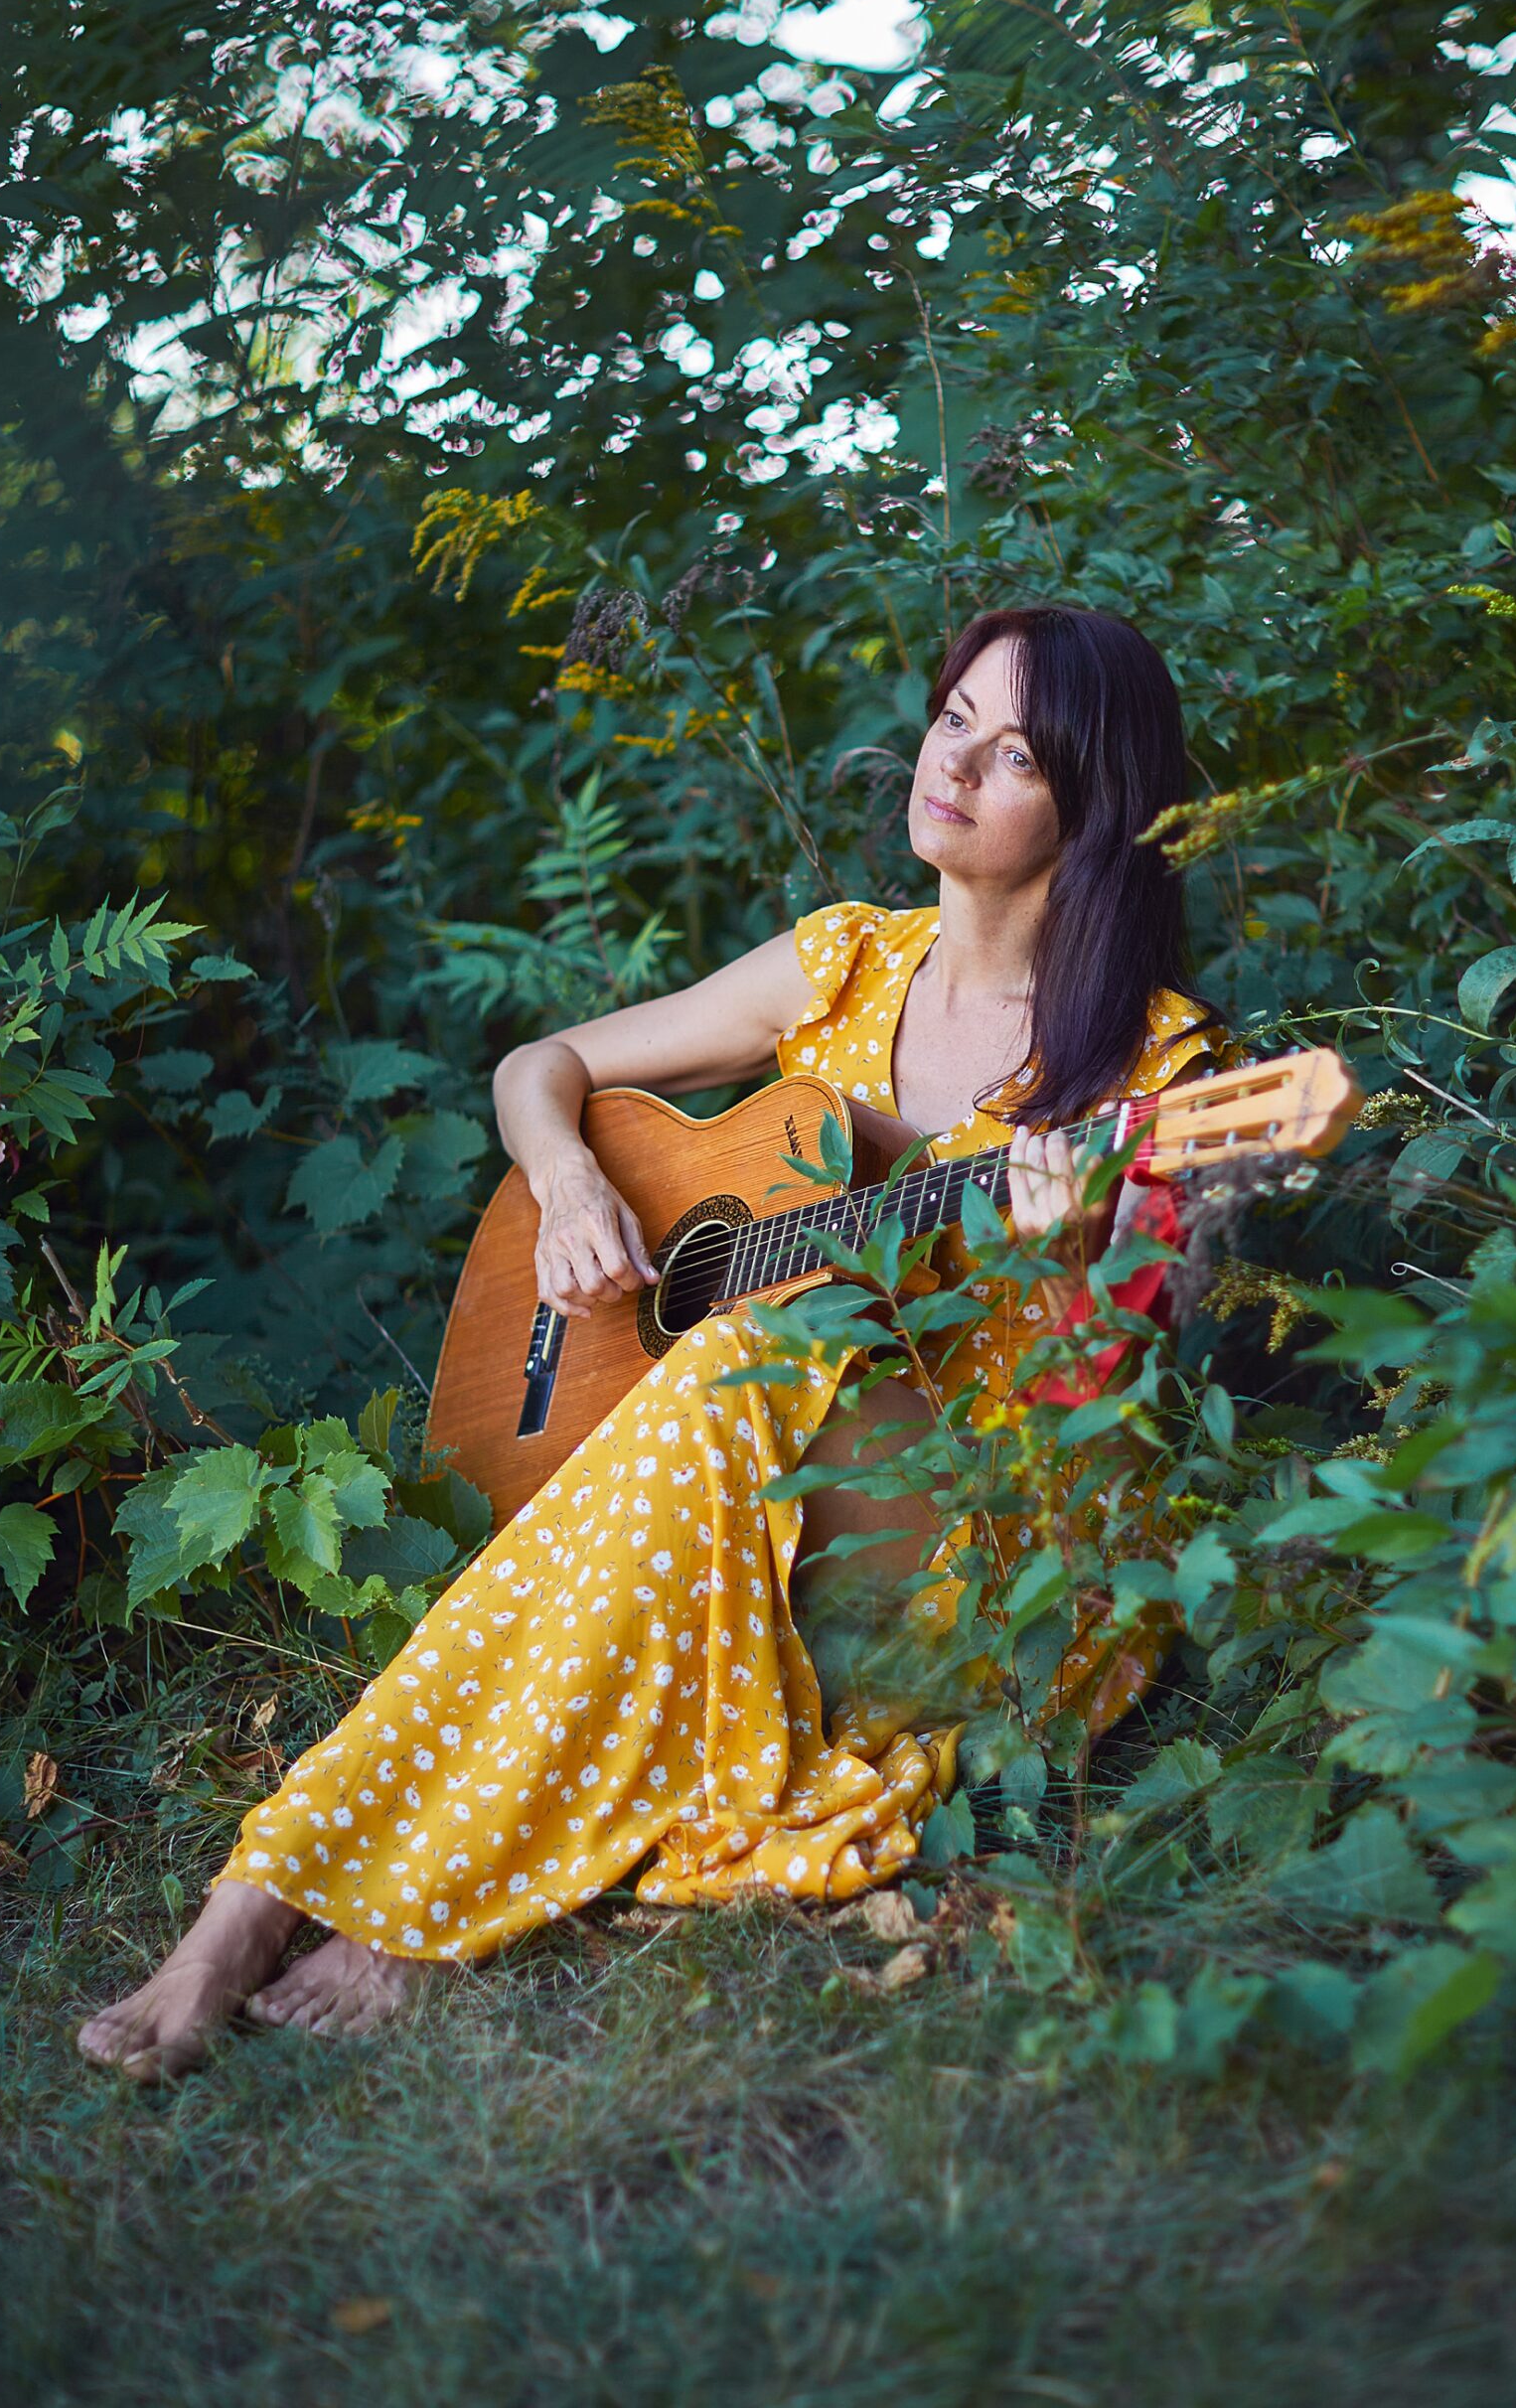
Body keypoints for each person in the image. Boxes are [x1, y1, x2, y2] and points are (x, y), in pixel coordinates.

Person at [77, 605, 1229, 2081]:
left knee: (724, 1377)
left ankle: (350, 1898)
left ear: (1092, 807)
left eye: (1016, 755)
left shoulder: (1158, 1067)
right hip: (752, 1441)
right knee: (724, 1381)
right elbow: (536, 1066)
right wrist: (568, 1185)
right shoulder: (842, 963)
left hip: (970, 1502)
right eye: (954, 719)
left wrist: (1085, 1246)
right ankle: (265, 1912)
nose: (955, 765)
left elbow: (1136, 1368)